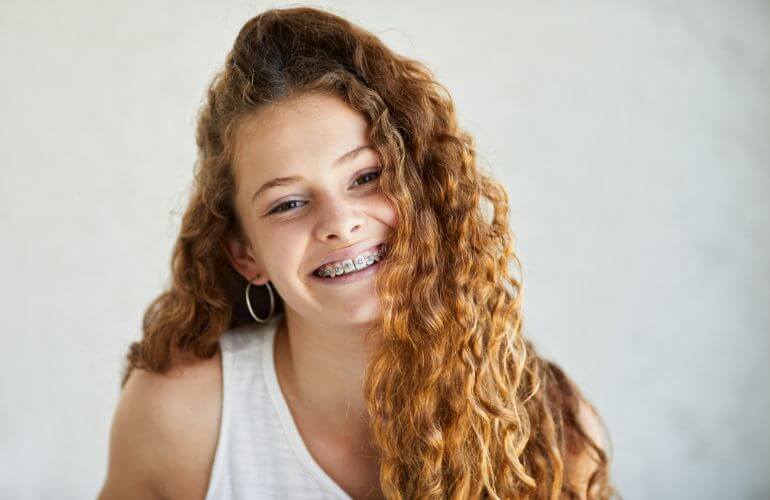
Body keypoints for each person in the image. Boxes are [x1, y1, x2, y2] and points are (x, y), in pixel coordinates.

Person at [98, 7, 617, 500]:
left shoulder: (552, 429)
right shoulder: (179, 419)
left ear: (428, 191)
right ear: (244, 253)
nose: (340, 223)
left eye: (366, 177)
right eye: (288, 203)